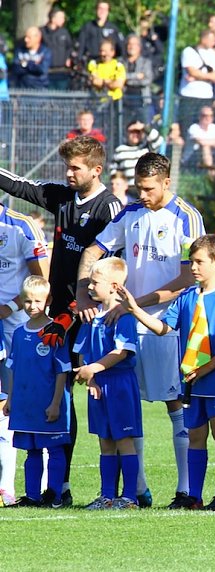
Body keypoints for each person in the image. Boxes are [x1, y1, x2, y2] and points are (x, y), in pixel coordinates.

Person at [0, 135, 123, 506]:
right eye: (66, 167)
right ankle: (60, 487)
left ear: (96, 170)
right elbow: (21, 185)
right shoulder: (62, 197)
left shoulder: (111, 207)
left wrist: (95, 297)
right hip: (62, 316)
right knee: (58, 390)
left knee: (109, 397)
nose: (68, 173)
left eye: (76, 168)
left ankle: (130, 488)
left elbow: (113, 262)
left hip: (96, 316)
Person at [77, 152, 204, 509]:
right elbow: (93, 249)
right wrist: (81, 292)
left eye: (148, 188)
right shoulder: (130, 213)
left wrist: (134, 303)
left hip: (167, 325)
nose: (142, 194)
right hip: (128, 323)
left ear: (167, 182)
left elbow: (185, 277)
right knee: (129, 407)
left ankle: (185, 491)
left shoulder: (187, 217)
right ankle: (138, 490)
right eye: (138, 187)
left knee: (173, 402)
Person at [122, 235, 215, 510]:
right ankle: (194, 497)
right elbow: (164, 327)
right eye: (191, 262)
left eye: (199, 262)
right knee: (196, 435)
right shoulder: (187, 296)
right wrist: (135, 310)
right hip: (191, 381)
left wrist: (207, 367)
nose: (193, 268)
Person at [72, 257, 142, 510]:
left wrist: (94, 368)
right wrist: (90, 375)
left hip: (120, 384)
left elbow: (122, 352)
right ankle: (107, 496)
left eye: (95, 282)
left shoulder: (123, 317)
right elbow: (82, 350)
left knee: (124, 439)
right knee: (105, 441)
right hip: (98, 385)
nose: (89, 287)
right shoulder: (92, 316)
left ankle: (130, 497)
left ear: (114, 286)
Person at [3, 275, 70, 508]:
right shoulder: (19, 333)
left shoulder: (55, 332)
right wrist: (10, 398)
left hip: (48, 403)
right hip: (25, 403)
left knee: (54, 447)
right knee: (31, 450)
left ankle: (54, 494)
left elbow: (62, 371)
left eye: (38, 301)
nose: (33, 306)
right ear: (22, 301)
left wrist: (56, 403)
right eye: (28, 301)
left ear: (48, 300)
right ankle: (32, 496)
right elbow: (13, 368)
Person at [0, 206, 48, 504]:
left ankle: (41, 487)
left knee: (24, 403)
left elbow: (41, 282)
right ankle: (6, 486)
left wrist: (10, 308)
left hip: (20, 330)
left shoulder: (20, 226)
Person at [111, 119, 165, 192]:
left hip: (145, 189)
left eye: (138, 132)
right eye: (132, 132)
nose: (135, 134)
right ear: (127, 133)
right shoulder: (120, 150)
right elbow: (113, 171)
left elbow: (159, 140)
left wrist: (144, 127)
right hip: (127, 191)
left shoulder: (148, 148)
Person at [183, 106, 215, 179]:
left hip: (214, 157)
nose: (208, 118)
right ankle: (212, 177)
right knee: (205, 148)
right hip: (192, 160)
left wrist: (209, 142)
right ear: (199, 116)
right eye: (205, 115)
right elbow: (202, 143)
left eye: (210, 115)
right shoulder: (194, 128)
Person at [179, 30, 215, 108]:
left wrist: (196, 78)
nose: (214, 43)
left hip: (206, 96)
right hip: (189, 95)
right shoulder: (189, 51)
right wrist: (208, 76)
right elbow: (192, 72)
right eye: (212, 40)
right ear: (203, 39)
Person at [122, 35, 155, 121]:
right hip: (124, 102)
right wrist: (136, 75)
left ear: (139, 47)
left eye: (134, 44)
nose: (131, 46)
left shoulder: (146, 62)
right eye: (129, 44)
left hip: (142, 101)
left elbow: (147, 81)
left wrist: (126, 79)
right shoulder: (120, 62)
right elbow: (119, 77)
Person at [41, 9, 74, 91]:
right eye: (61, 17)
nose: (64, 20)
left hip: (62, 72)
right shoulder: (42, 32)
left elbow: (70, 47)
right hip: (47, 72)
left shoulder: (64, 32)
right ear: (53, 18)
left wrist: (68, 58)